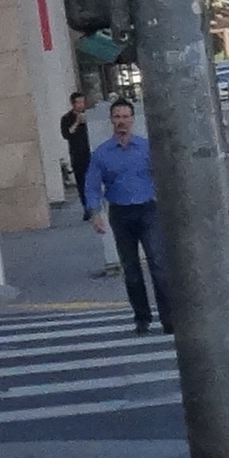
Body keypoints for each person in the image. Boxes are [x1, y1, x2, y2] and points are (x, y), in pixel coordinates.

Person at [83, 98, 161, 333]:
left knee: (159, 265)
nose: (121, 121)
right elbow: (92, 187)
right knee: (131, 270)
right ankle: (142, 318)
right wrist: (95, 214)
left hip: (148, 210)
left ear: (133, 120)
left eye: (125, 117)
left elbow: (163, 175)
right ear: (111, 120)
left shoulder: (146, 148)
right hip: (120, 213)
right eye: (117, 117)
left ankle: (169, 317)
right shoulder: (102, 153)